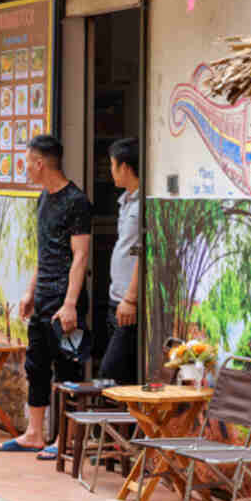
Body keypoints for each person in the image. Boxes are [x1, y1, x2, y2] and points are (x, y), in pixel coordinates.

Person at [0, 134, 91, 457]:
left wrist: (70, 303)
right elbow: (43, 252)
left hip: (66, 300)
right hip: (44, 296)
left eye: (26, 163)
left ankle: (62, 439)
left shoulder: (76, 201)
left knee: (67, 369)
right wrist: (30, 291)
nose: (25, 170)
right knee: (36, 365)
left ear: (40, 164)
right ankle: (34, 433)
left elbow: (80, 256)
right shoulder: (44, 199)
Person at [101, 138, 141, 385]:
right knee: (123, 377)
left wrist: (131, 298)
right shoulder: (125, 202)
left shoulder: (143, 204)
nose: (110, 171)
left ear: (125, 167)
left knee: (111, 372)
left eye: (113, 165)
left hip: (128, 301)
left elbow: (142, 254)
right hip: (115, 298)